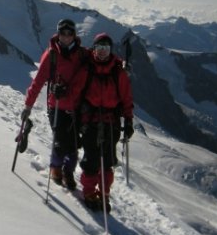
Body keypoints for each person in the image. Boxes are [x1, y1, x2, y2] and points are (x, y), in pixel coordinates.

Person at [21, 19, 88, 189]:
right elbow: (38, 81)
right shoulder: (51, 55)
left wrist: (121, 65)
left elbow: (100, 59)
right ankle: (56, 168)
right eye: (63, 33)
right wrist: (28, 105)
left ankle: (68, 172)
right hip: (56, 106)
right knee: (60, 142)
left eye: (69, 33)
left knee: (73, 144)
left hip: (76, 107)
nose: (66, 37)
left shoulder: (82, 54)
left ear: (74, 35)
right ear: (58, 34)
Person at [71, 32, 134, 212]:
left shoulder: (118, 72)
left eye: (106, 48)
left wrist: (128, 120)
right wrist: (74, 116)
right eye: (99, 48)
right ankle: (89, 192)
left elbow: (126, 98)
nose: (103, 52)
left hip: (110, 123)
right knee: (91, 159)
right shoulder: (87, 69)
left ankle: (104, 193)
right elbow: (76, 94)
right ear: (94, 49)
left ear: (110, 50)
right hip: (90, 121)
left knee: (107, 161)